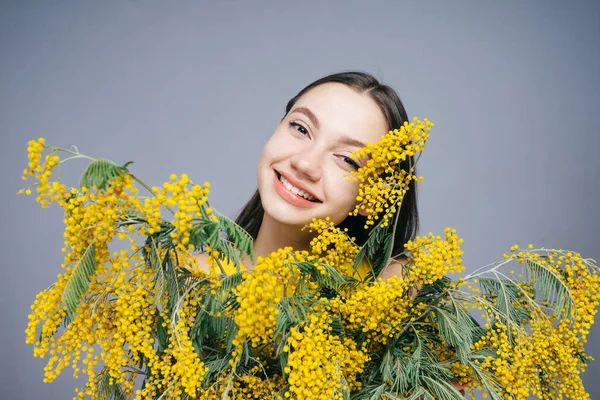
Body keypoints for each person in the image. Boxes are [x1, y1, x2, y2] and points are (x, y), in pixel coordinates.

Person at [195, 71, 418, 279]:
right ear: (278, 127)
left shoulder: (397, 287)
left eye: (347, 159)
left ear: (374, 198)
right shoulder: (182, 281)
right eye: (301, 129)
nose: (305, 164)